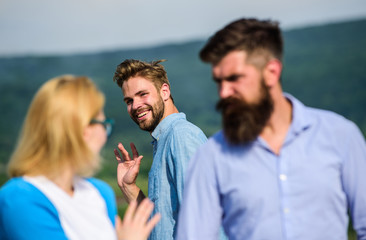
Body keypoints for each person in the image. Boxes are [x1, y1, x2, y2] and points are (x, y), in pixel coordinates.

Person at [176, 18, 366, 240]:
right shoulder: (210, 157)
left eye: (234, 78)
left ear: (272, 72)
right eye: (218, 82)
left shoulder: (340, 135)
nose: (224, 92)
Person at [0, 75, 160, 240]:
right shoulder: (20, 199)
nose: (105, 136)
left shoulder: (100, 192)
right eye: (104, 125)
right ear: (83, 130)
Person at [112, 59, 208, 240]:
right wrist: (128, 187)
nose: (136, 105)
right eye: (129, 101)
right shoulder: (164, 140)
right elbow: (158, 226)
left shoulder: (181, 136)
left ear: (164, 91)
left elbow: (201, 220)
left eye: (142, 94)